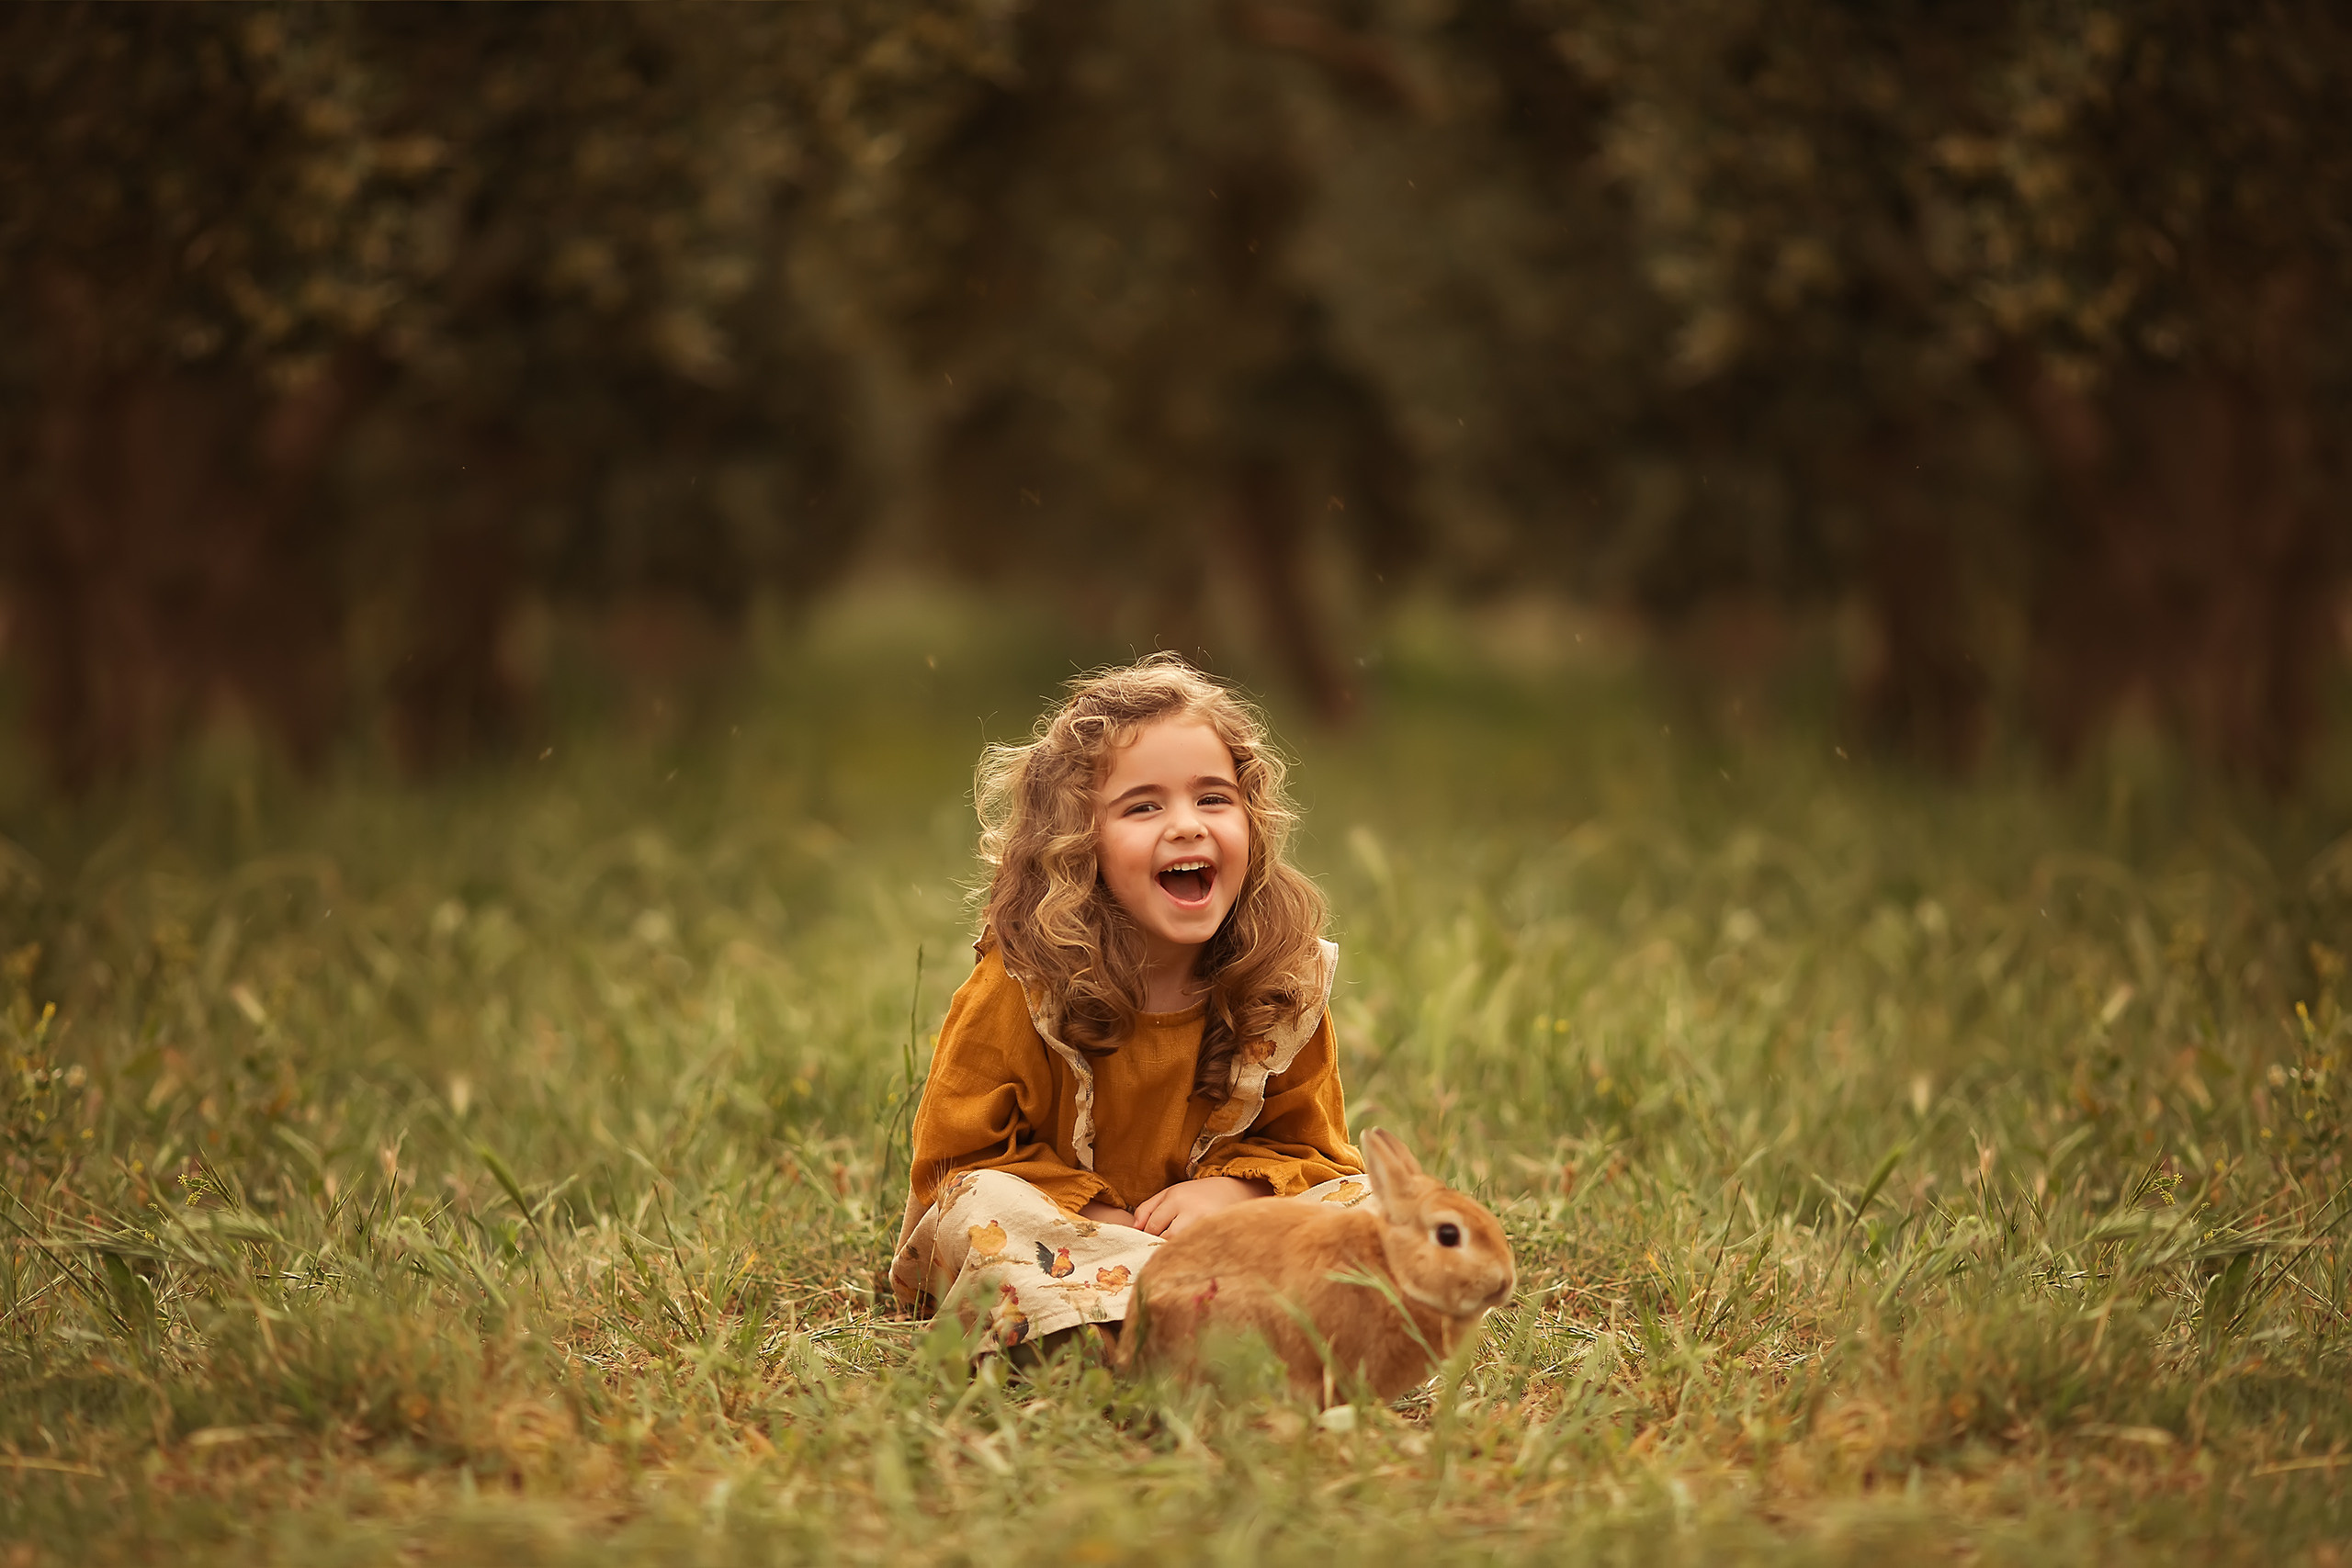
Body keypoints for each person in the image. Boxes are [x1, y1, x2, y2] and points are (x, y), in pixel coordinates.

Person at [889, 655, 1370, 1353]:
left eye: (1213, 798)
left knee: (1368, 1211)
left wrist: (1232, 1196)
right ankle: (1142, 1329)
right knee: (986, 1208)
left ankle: (1199, 1321)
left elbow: (1315, 1151)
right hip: (1060, 1238)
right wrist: (1101, 1216)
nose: (1186, 825)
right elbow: (954, 1160)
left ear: (1253, 820)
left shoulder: (1279, 980)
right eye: (1143, 806)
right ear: (1078, 843)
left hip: (1218, 1241)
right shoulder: (1025, 981)